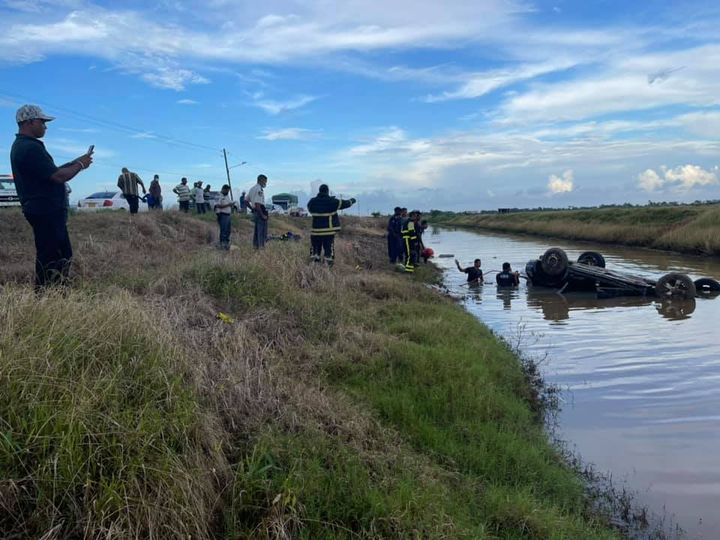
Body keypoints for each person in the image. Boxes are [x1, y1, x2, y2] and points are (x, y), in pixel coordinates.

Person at [10, 104, 93, 289]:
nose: (45, 127)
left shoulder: (26, 146)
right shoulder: (28, 148)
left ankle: (54, 294)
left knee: (60, 254)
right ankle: (48, 296)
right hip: (45, 211)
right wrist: (80, 164)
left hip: (45, 210)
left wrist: (75, 161)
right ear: (30, 122)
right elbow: (58, 176)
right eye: (43, 122)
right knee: (52, 257)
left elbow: (50, 171)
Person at [306, 183, 356, 265]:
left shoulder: (311, 202)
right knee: (328, 254)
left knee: (315, 254)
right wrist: (353, 200)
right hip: (328, 233)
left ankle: (314, 270)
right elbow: (345, 203)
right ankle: (327, 270)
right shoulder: (332, 201)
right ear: (327, 191)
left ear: (319, 191)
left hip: (315, 232)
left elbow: (309, 208)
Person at [246, 174, 268, 248]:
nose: (265, 183)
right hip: (260, 210)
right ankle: (261, 247)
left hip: (256, 211)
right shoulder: (259, 189)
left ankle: (255, 246)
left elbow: (246, 201)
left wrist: (252, 208)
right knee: (261, 231)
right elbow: (258, 203)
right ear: (261, 180)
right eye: (265, 181)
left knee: (256, 230)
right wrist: (262, 215)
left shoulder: (252, 189)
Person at [214, 184, 233, 249]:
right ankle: (222, 244)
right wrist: (228, 205)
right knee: (223, 230)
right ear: (223, 189)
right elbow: (217, 205)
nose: (228, 191)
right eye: (227, 190)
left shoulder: (227, 196)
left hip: (228, 215)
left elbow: (229, 203)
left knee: (228, 230)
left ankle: (226, 243)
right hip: (222, 215)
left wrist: (231, 204)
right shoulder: (218, 195)